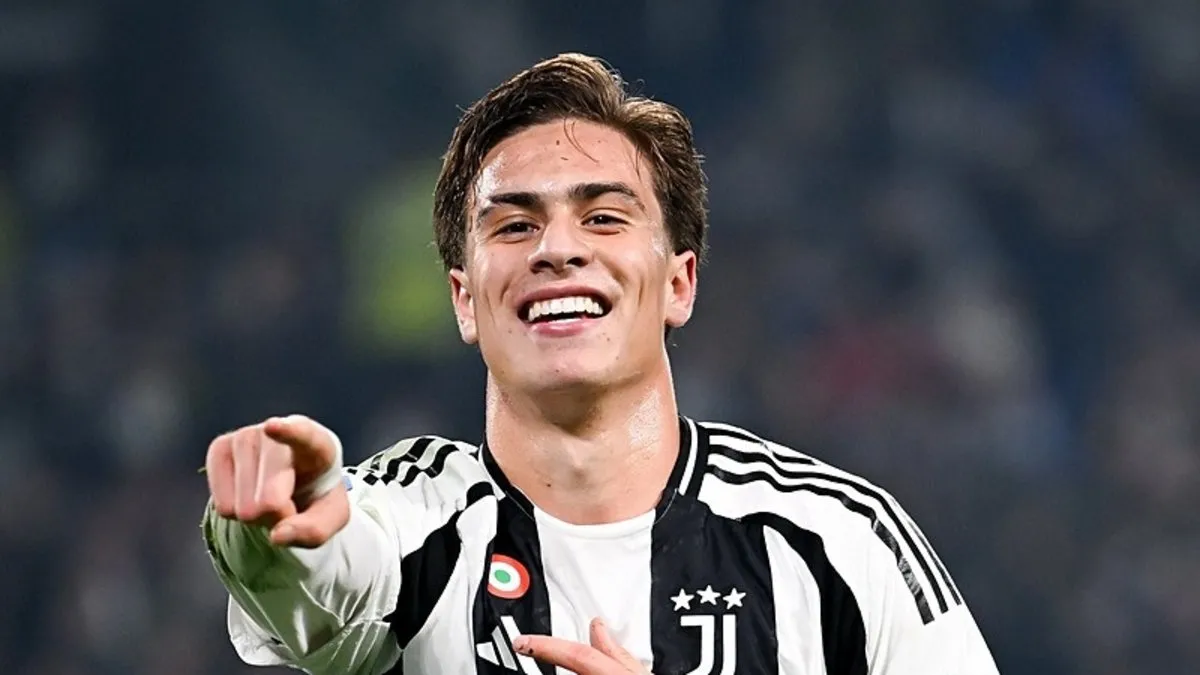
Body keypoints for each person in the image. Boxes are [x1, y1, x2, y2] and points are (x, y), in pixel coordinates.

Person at [202, 53, 1000, 675]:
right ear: (465, 301)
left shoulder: (839, 544)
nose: (558, 248)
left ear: (679, 283)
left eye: (605, 216)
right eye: (514, 226)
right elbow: (327, 571)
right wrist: (275, 528)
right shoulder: (416, 521)